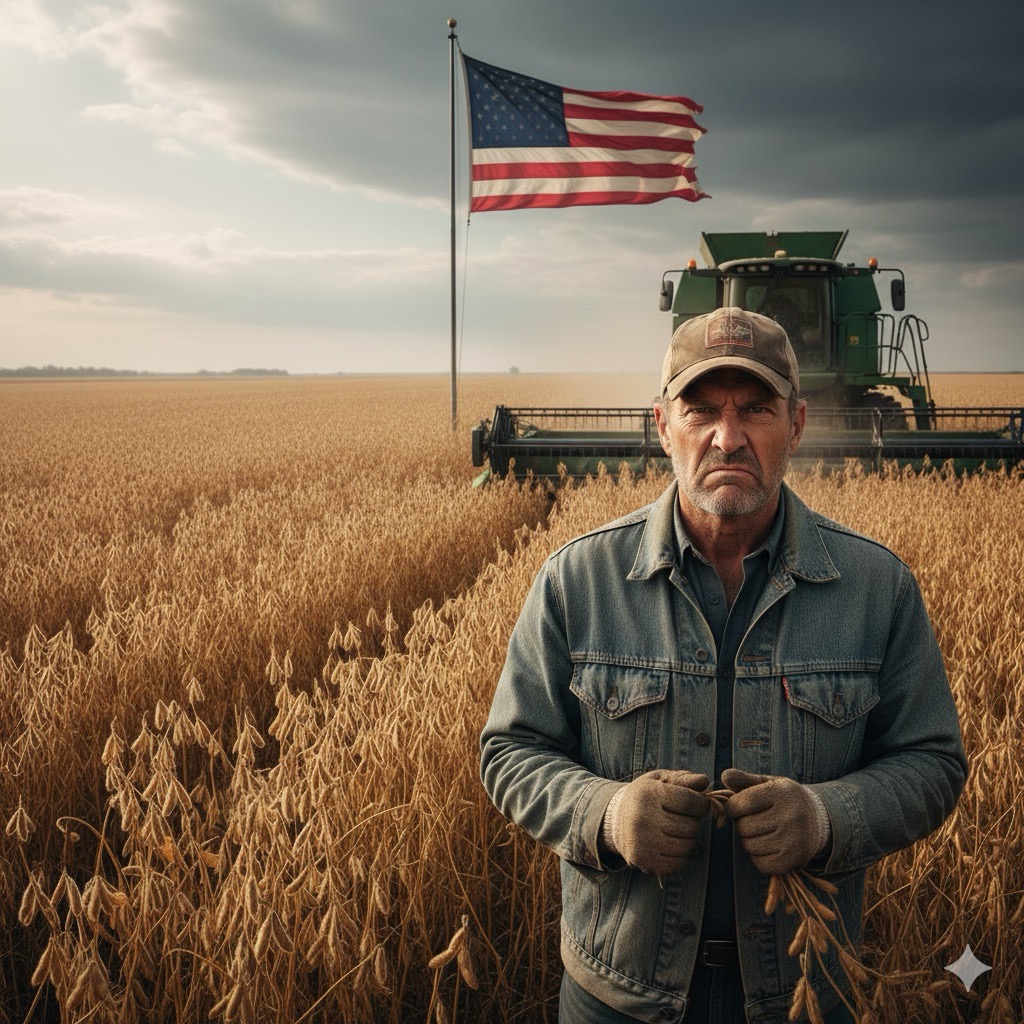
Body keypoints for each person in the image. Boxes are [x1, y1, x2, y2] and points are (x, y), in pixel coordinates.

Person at [479, 307, 967, 1024]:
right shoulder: (575, 580)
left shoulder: (878, 588)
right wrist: (609, 816)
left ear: (795, 424)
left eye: (755, 410)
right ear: (662, 424)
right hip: (617, 996)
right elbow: (510, 751)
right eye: (701, 409)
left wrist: (825, 819)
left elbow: (933, 762)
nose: (727, 436)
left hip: (803, 992)